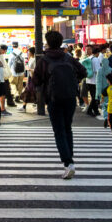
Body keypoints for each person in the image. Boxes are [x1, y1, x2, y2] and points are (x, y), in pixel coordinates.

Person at [34, 30, 84, 179]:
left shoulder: (44, 60)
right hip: (70, 97)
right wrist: (74, 82)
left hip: (54, 99)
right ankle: (70, 160)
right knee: (67, 128)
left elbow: (36, 80)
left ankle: (68, 163)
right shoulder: (68, 58)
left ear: (48, 43)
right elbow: (83, 71)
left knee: (59, 130)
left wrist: (45, 85)